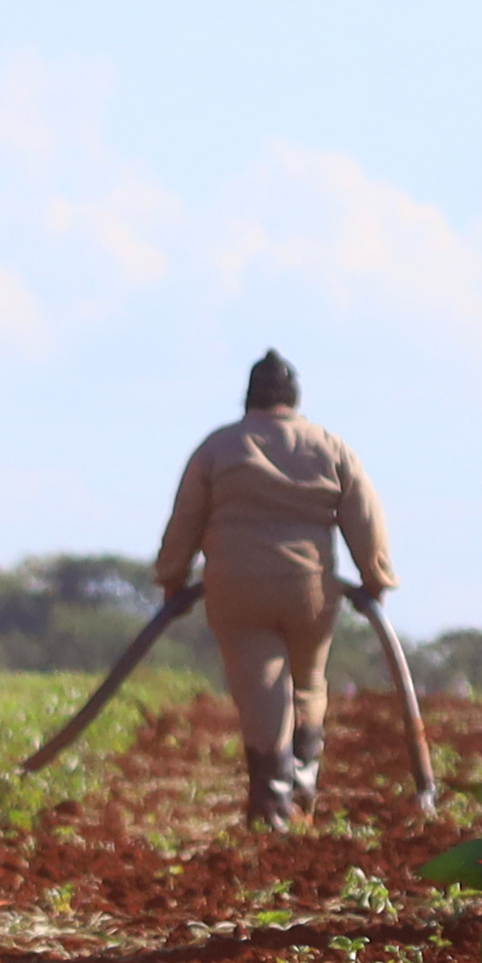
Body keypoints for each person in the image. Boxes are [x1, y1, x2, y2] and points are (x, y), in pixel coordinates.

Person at [154, 352, 390, 829]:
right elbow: (364, 516)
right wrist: (374, 578)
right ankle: (300, 786)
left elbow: (185, 521)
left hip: (237, 587)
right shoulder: (328, 446)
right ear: (294, 398)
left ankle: (272, 800)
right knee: (309, 683)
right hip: (310, 588)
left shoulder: (218, 447)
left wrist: (172, 578)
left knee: (260, 684)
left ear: (248, 397)